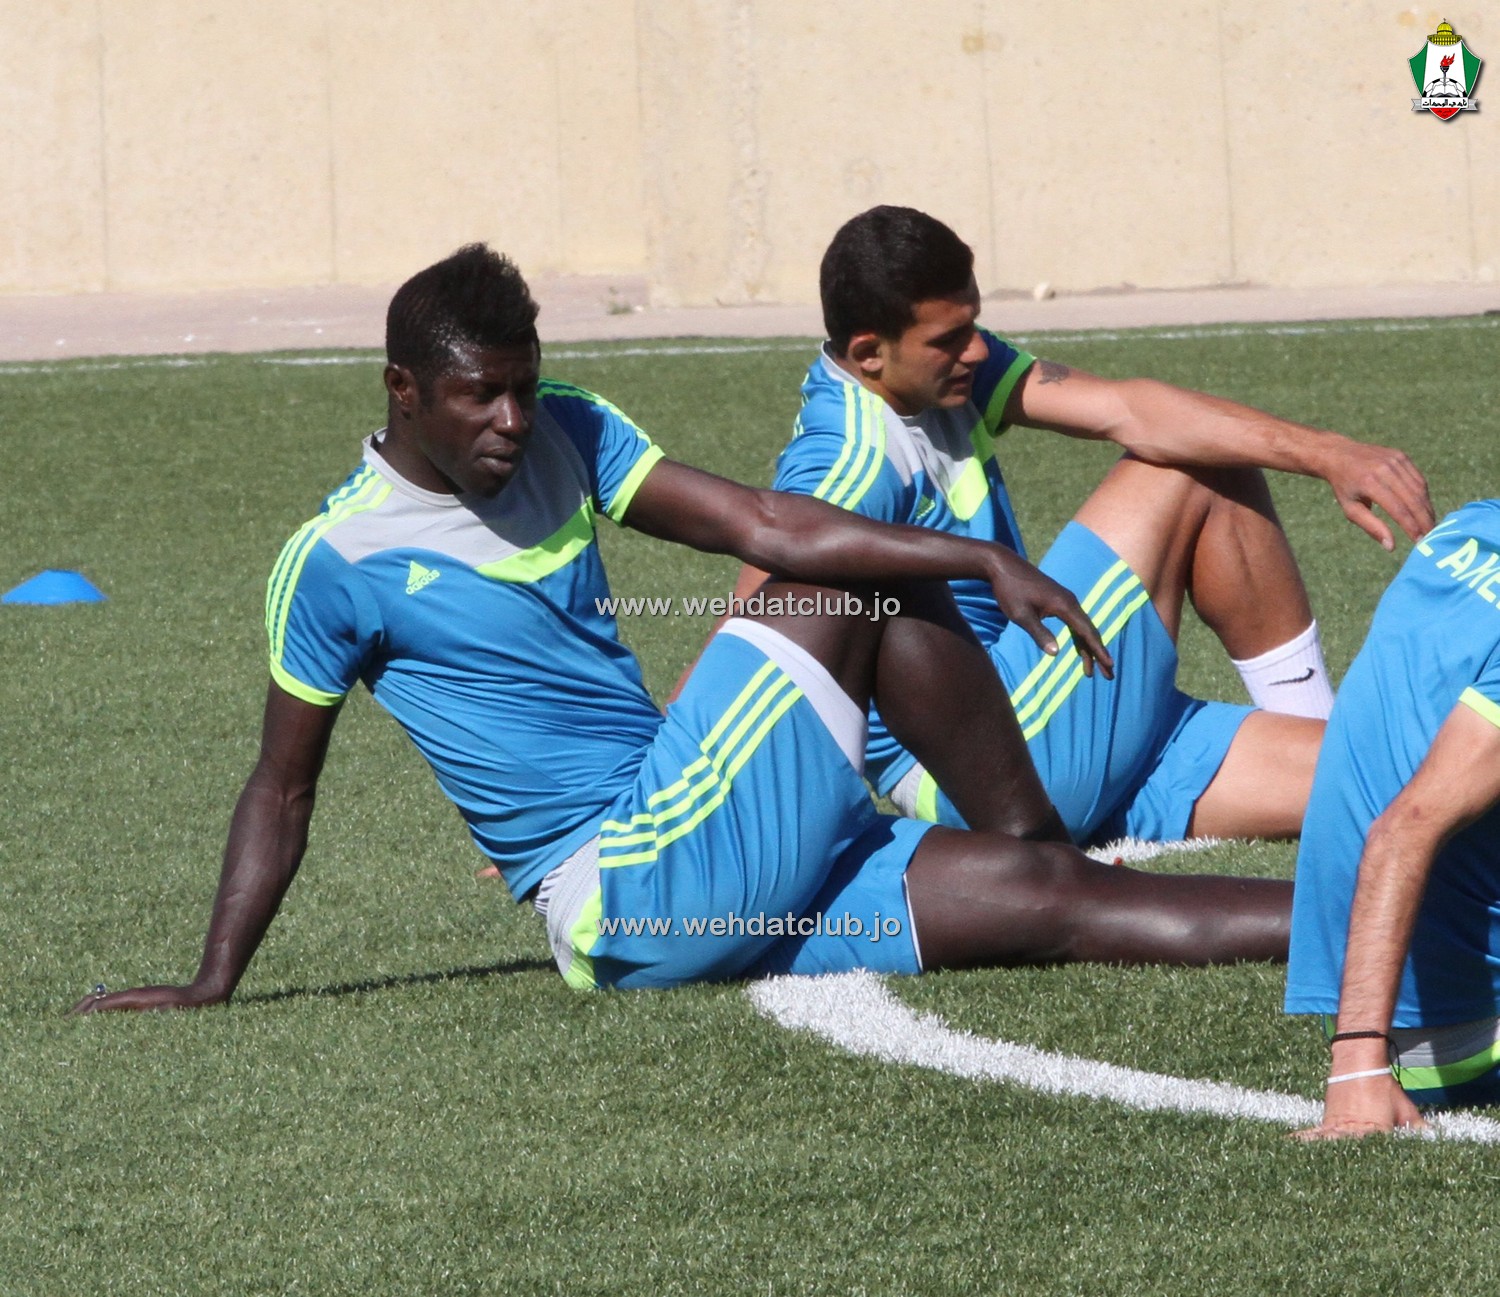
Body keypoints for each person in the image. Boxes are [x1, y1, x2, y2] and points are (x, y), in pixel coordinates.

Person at [74, 243, 1291, 1013]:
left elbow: (758, 518)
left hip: (710, 855)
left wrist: (972, 557)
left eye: (523, 384)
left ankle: (1347, 911)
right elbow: (280, 789)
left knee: (1053, 901)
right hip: (629, 889)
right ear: (404, 390)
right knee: (851, 579)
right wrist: (212, 979)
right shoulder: (334, 562)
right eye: (479, 395)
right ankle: (1028, 821)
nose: (512, 419)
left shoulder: (569, 427)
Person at [728, 206, 1435, 849]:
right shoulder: (843, 459)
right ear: (869, 353)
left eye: (973, 325)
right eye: (949, 338)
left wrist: (1328, 452)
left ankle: (1311, 730)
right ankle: (1299, 721)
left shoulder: (937, 375)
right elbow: (754, 628)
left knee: (1400, 774)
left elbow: (1130, 409)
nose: (976, 351)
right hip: (990, 765)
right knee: (1190, 467)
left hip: (1053, 731)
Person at [1287, 500, 1500, 1138]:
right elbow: (1405, 827)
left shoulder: (1470, 526)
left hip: (1380, 998)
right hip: (1453, 1035)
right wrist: (1358, 1069)